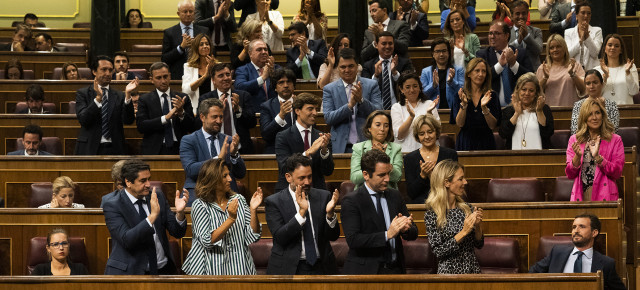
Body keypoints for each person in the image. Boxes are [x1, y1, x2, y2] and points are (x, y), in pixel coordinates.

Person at [103, 159, 188, 274]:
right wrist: (152, 217)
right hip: (131, 273)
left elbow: (177, 233)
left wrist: (180, 213)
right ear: (128, 182)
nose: (148, 184)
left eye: (149, 179)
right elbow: (127, 240)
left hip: (163, 270)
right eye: (143, 181)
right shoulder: (113, 205)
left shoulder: (157, 196)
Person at [341, 149, 418, 274]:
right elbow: (354, 240)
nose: (387, 179)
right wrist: (387, 235)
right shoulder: (351, 201)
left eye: (388, 173)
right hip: (366, 273)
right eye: (382, 175)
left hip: (395, 271)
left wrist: (407, 228)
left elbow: (414, 232)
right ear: (366, 175)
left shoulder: (395, 195)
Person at [182, 158, 262, 275]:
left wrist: (253, 210)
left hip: (239, 266)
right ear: (212, 179)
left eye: (229, 175)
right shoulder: (200, 205)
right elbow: (207, 241)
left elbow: (253, 236)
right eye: (225, 176)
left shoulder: (238, 200)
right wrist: (230, 219)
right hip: (210, 269)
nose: (230, 179)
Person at [265, 154, 340, 274]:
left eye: (310, 177)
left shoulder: (323, 196)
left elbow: (333, 236)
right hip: (290, 268)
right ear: (289, 177)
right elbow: (280, 238)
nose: (307, 182)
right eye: (302, 178)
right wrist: (301, 214)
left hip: (322, 267)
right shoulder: (274, 202)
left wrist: (330, 215)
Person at [530, 214, 625, 290]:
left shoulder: (606, 263)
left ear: (594, 233)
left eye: (582, 227)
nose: (576, 230)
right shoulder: (557, 252)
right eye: (574, 227)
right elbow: (532, 274)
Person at [180, 98, 247, 206]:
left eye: (221, 117)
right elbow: (190, 169)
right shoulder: (189, 140)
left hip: (226, 193)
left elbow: (241, 173)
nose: (219, 121)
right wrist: (218, 159)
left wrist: (234, 154)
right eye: (214, 117)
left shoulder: (228, 140)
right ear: (202, 117)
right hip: (198, 191)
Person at [425, 160, 484, 274]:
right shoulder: (432, 214)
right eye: (460, 179)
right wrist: (464, 232)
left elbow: (479, 244)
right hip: (448, 274)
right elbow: (439, 251)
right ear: (447, 182)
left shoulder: (468, 208)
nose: (465, 182)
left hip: (472, 271)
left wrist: (477, 226)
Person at [74, 55, 137, 155]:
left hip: (115, 148)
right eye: (104, 70)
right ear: (94, 72)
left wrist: (128, 96)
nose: (108, 73)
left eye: (110, 70)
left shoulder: (119, 95)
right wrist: (98, 99)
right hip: (90, 148)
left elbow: (128, 120)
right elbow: (84, 120)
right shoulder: (83, 93)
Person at [323, 48, 382, 154]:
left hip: (368, 145)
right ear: (337, 68)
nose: (347, 70)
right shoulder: (329, 89)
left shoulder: (371, 85)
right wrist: (349, 106)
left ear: (357, 66)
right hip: (341, 147)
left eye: (351, 66)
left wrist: (361, 101)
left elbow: (379, 113)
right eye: (343, 67)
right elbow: (328, 118)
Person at [566, 98, 623, 201]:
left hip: (605, 195)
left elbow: (617, 172)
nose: (594, 117)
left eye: (597, 113)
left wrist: (599, 158)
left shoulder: (615, 140)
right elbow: (570, 174)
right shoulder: (574, 140)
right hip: (581, 195)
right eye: (590, 114)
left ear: (602, 115)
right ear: (584, 117)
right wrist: (577, 157)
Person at [275, 93, 333, 192]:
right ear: (297, 111)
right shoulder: (283, 136)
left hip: (316, 191)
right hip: (290, 192)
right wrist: (308, 153)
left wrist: (324, 151)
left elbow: (328, 171)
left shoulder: (322, 137)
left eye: (316, 109)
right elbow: (284, 167)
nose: (315, 113)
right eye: (310, 109)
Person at [136, 62, 196, 155]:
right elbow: (141, 126)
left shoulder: (182, 98)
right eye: (159, 78)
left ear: (170, 76)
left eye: (165, 76)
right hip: (154, 149)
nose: (163, 81)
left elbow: (193, 127)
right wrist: (165, 118)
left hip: (180, 148)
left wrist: (181, 113)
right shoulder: (144, 99)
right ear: (151, 80)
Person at [199, 63, 256, 154]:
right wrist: (216, 108)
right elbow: (199, 124)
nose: (225, 78)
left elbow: (252, 123)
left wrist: (238, 110)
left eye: (228, 75)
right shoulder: (205, 98)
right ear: (213, 80)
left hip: (241, 149)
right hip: (214, 149)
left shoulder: (243, 96)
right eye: (221, 76)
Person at [476, 20, 533, 107]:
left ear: (506, 36)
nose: (492, 36)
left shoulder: (520, 53)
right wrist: (499, 66)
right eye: (490, 33)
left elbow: (531, 77)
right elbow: (480, 78)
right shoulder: (482, 55)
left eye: (496, 33)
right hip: (491, 107)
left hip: (518, 107)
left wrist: (514, 64)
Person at [404, 115, 458, 204]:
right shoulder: (410, 158)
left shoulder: (450, 154)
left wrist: (433, 177)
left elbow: (454, 185)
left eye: (430, 132)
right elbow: (411, 193)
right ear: (417, 136)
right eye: (422, 134)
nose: (427, 136)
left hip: (445, 203)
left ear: (436, 132)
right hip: (421, 206)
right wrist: (422, 176)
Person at [451, 58, 501, 151]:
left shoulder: (492, 95)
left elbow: (492, 126)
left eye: (484, 71)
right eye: (477, 71)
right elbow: (460, 124)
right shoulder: (460, 95)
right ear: (469, 73)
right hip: (466, 142)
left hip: (486, 142)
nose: (481, 74)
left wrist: (484, 108)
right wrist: (464, 105)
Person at [499, 72, 554, 149]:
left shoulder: (544, 109)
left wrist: (539, 111)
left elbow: (548, 133)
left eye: (531, 91)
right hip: (513, 158)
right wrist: (516, 113)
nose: (527, 93)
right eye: (524, 89)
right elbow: (503, 134)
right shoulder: (509, 111)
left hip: (540, 158)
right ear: (518, 90)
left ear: (536, 93)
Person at [362, 31, 415, 110]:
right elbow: (366, 90)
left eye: (390, 43)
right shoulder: (368, 66)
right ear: (376, 45)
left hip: (400, 108)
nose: (387, 46)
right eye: (384, 44)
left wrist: (395, 73)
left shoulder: (404, 63)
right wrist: (376, 76)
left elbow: (409, 85)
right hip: (376, 110)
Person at [351, 111, 403, 190]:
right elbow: (355, 178)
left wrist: (384, 159)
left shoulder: (396, 148)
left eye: (386, 126)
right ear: (369, 128)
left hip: (388, 192)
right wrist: (372, 160)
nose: (382, 129)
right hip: (364, 194)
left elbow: (397, 178)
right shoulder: (358, 148)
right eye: (378, 125)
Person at [161, 0, 210, 80]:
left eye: (191, 11)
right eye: (185, 11)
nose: (188, 14)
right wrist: (181, 48)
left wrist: (198, 47)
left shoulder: (204, 31)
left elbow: (212, 53)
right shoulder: (169, 32)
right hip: (178, 75)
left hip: (200, 74)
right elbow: (165, 59)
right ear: (178, 14)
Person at [392, 72, 440, 153]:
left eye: (415, 86)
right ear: (401, 89)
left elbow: (438, 131)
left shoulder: (429, 104)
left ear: (420, 88)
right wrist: (411, 117)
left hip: (430, 151)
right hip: (405, 152)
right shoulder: (397, 107)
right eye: (407, 87)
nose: (412, 90)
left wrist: (429, 113)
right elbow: (399, 136)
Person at [537, 34, 586, 106]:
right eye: (551, 48)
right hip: (549, 111)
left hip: (571, 110)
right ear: (548, 51)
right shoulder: (543, 68)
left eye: (558, 46)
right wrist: (545, 78)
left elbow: (584, 89)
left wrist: (572, 74)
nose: (555, 50)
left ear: (564, 48)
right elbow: (536, 92)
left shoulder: (575, 65)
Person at [420, 37, 465, 110]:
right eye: (437, 51)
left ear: (449, 52)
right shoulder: (426, 72)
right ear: (433, 54)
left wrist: (451, 82)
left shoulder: (458, 70)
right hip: (432, 111)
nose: (441, 54)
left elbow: (463, 93)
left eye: (444, 51)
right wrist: (433, 85)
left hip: (453, 110)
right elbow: (422, 95)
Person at [235, 39, 281, 109]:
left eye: (265, 49)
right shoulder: (243, 70)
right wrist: (262, 78)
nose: (264, 52)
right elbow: (240, 87)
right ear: (250, 53)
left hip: (275, 112)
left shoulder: (276, 68)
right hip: (253, 113)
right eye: (259, 50)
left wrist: (273, 75)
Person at [570, 70, 619, 134]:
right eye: (588, 83)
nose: (591, 86)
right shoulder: (578, 105)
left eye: (595, 82)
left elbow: (614, 130)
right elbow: (574, 131)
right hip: (585, 141)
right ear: (585, 86)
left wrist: (603, 109)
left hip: (607, 141)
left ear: (601, 84)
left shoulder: (611, 105)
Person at [260, 68, 296, 154]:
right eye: (281, 82)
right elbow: (266, 135)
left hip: (300, 151)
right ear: (275, 87)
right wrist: (280, 116)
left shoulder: (302, 104)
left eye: (289, 82)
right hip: (276, 152)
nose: (286, 85)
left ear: (294, 85)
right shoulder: (267, 106)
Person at [595, 34, 639, 105]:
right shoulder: (597, 70)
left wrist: (628, 73)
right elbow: (596, 94)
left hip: (626, 110)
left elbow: (634, 91)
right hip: (605, 111)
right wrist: (605, 77)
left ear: (621, 50)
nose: (613, 48)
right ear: (605, 49)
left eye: (616, 46)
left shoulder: (630, 67)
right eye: (610, 45)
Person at [182, 33, 217, 115]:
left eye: (207, 44)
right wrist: (205, 76)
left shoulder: (218, 65)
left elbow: (220, 88)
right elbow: (186, 90)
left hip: (215, 108)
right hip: (196, 110)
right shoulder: (188, 66)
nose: (205, 46)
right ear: (196, 48)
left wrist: (213, 71)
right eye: (201, 44)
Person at [565, 1, 602, 70]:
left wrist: (587, 36)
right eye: (583, 13)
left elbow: (595, 53)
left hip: (592, 70)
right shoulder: (568, 32)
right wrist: (580, 40)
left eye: (588, 13)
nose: (586, 16)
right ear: (576, 15)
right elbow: (568, 54)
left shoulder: (597, 31)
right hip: (574, 70)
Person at [509, 1, 543, 71]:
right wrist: (518, 42)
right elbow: (504, 51)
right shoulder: (507, 32)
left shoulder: (536, 31)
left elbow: (538, 50)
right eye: (517, 14)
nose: (521, 17)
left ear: (527, 15)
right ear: (512, 16)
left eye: (524, 13)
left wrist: (527, 36)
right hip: (512, 71)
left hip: (534, 71)